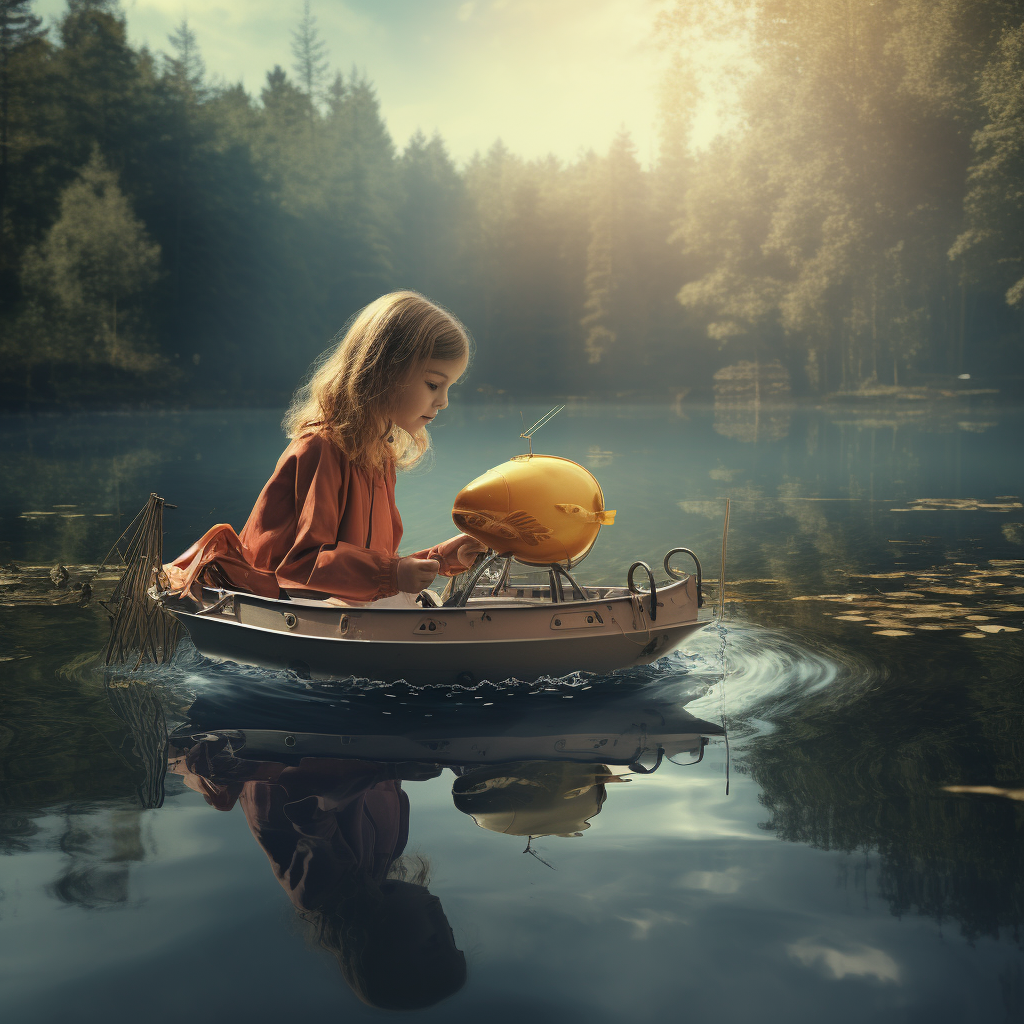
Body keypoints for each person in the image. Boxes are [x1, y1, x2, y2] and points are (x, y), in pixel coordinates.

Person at [164, 291, 486, 603]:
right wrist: (394, 573)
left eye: (449, 388)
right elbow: (301, 567)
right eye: (433, 384)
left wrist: (442, 559)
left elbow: (372, 565)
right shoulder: (320, 447)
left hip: (330, 605)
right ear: (385, 371)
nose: (443, 402)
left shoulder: (379, 454)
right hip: (273, 602)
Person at [169, 739, 467, 1010]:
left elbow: (309, 804)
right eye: (452, 938)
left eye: (433, 943)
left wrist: (385, 767)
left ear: (383, 945)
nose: (446, 928)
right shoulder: (380, 864)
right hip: (330, 740)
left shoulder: (326, 892)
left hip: (276, 745)